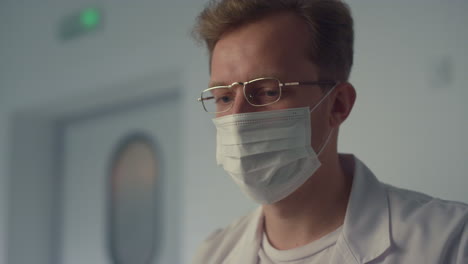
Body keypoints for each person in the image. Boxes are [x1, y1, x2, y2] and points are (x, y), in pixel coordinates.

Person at [191, 0, 468, 263]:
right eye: (224, 97)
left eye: (267, 91)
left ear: (338, 104)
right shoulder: (212, 255)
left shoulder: (450, 241)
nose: (238, 118)